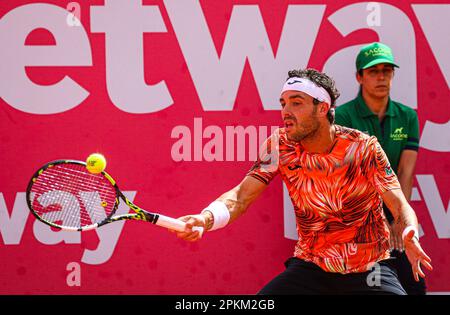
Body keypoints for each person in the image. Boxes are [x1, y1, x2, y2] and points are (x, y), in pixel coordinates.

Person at [173, 68, 432, 295]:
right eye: (283, 103)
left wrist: (409, 230)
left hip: (369, 269)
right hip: (312, 268)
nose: (286, 111)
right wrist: (206, 218)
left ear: (322, 108)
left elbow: (399, 205)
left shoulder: (364, 148)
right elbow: (241, 196)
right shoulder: (279, 146)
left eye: (296, 103)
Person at [335, 42, 425, 295]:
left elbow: (405, 172)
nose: (381, 76)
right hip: (355, 208)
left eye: (387, 70)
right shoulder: (342, 116)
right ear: (359, 77)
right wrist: (378, 221)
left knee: (414, 284)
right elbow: (346, 178)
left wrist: (400, 217)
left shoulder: (407, 116)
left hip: (394, 202)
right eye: (373, 71)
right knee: (366, 285)